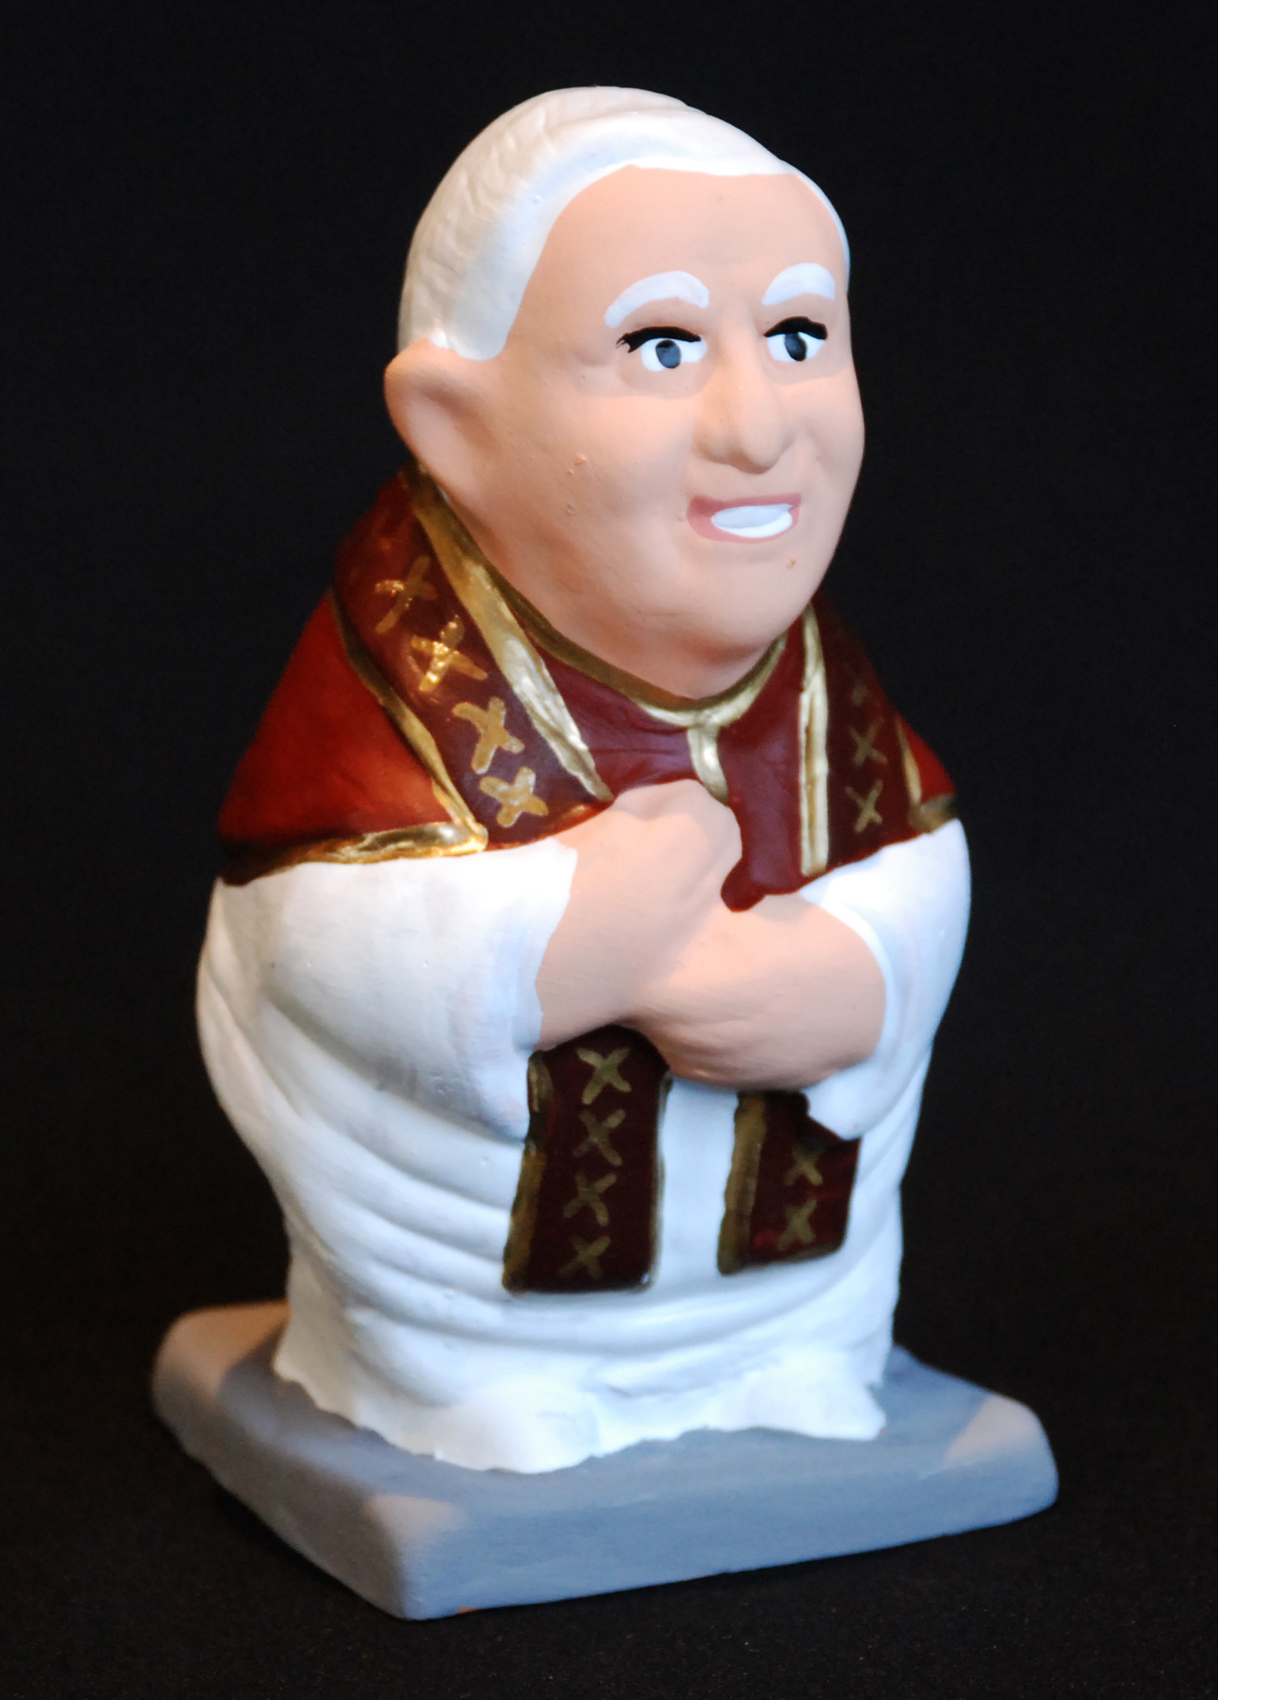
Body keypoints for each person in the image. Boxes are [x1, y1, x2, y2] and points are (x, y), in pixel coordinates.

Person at [200, 88, 967, 1473]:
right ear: (454, 425)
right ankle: (453, 1384)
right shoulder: (400, 677)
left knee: (807, 1335)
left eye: (799, 338)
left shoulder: (819, 688)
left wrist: (861, 979)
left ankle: (782, 1352)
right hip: (460, 1298)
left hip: (790, 1276)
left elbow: (917, 859)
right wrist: (544, 951)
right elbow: (295, 936)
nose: (756, 426)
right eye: (661, 348)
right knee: (481, 1378)